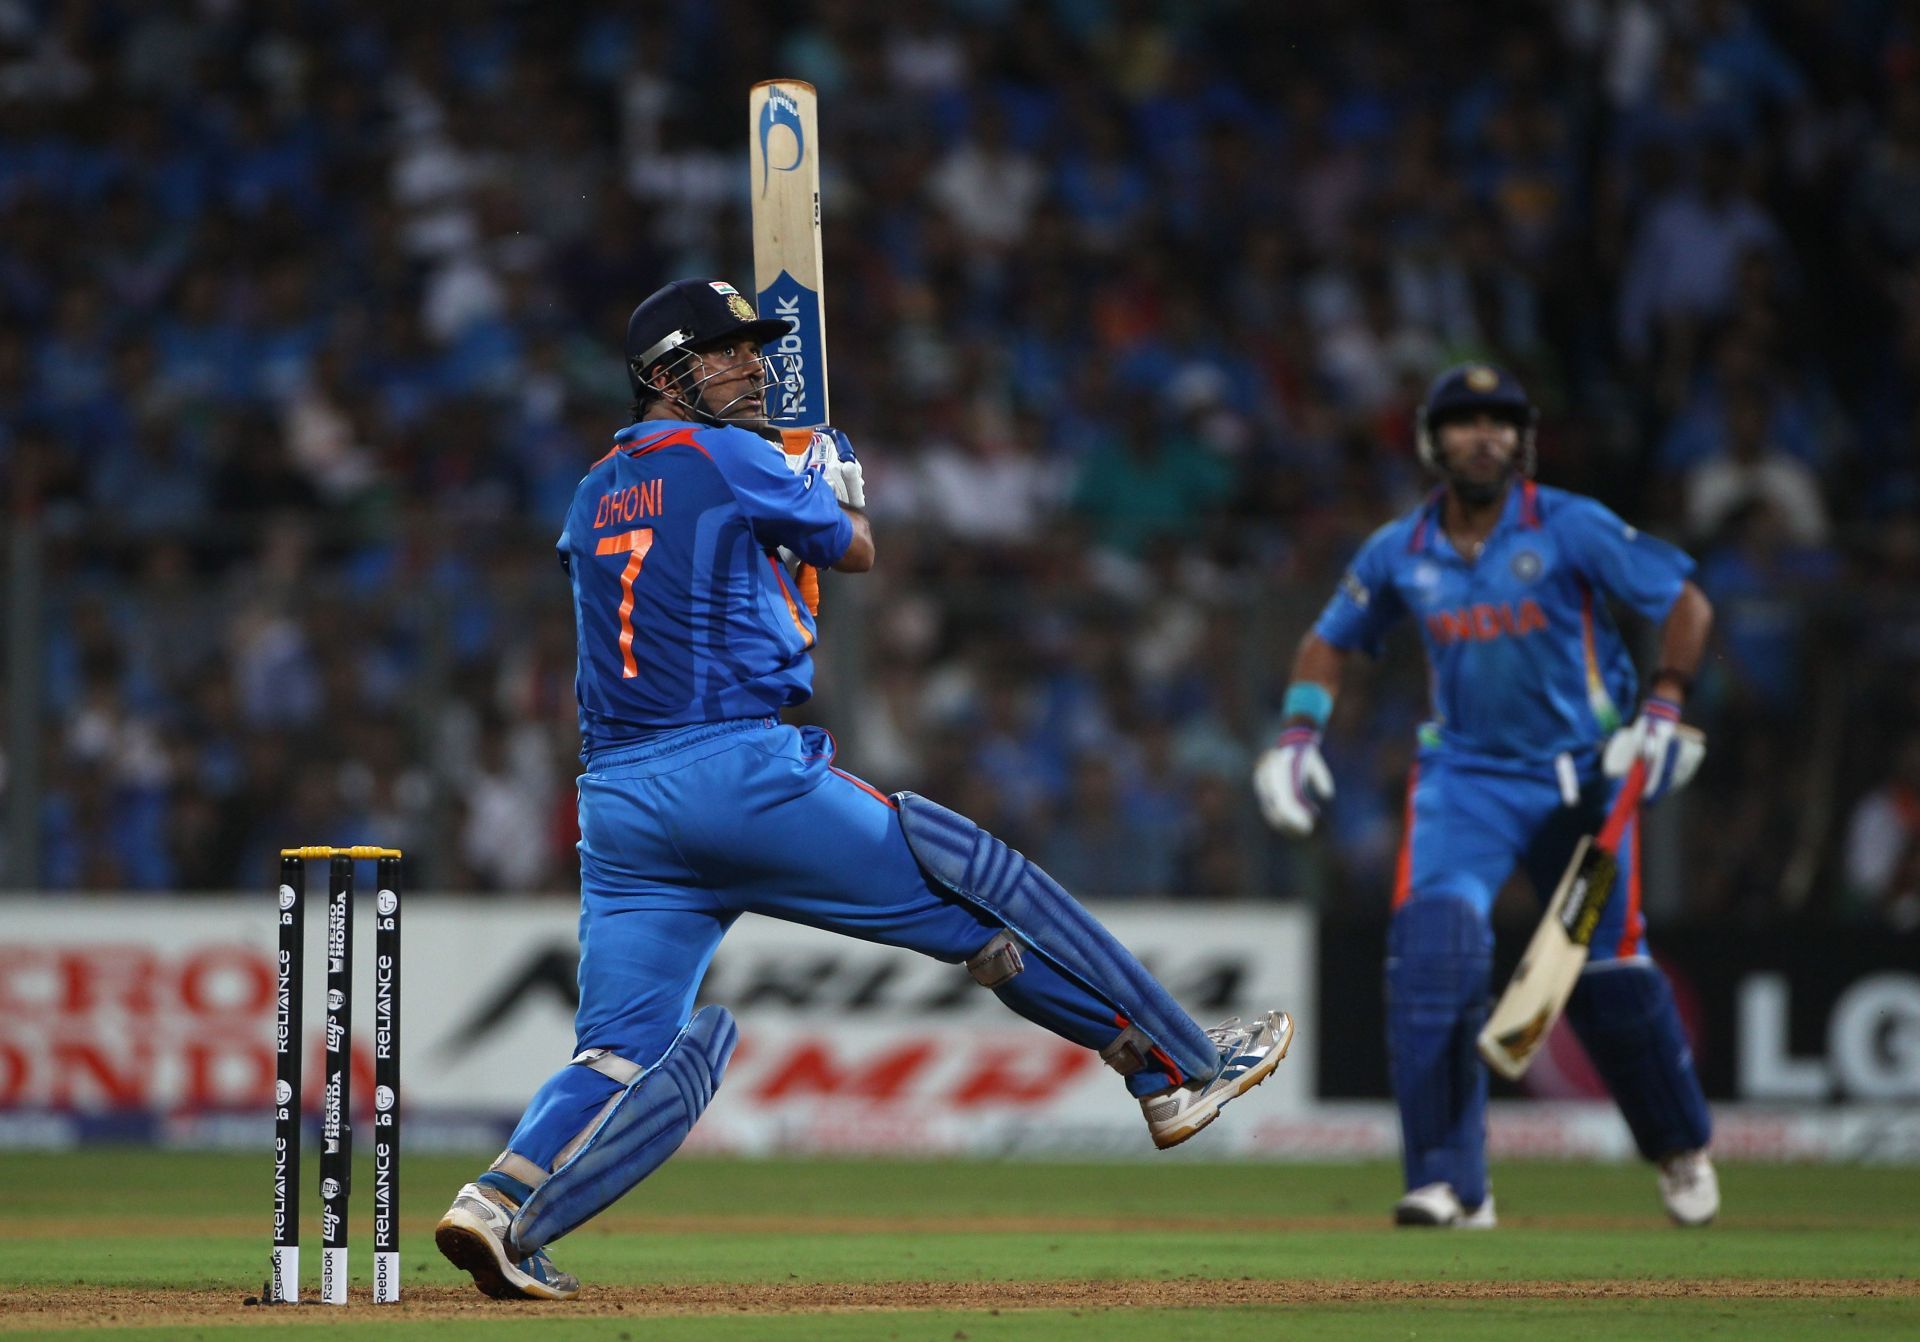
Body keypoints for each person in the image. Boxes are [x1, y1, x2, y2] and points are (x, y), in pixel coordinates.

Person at [433, 277, 1294, 1300]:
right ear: (667, 375)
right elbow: (856, 550)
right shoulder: (728, 453)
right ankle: (1181, 1066)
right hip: (735, 771)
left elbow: (726, 590)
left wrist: (786, 532)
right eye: (726, 352)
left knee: (620, 1049)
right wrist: (835, 477)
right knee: (974, 881)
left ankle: (497, 1205)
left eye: (754, 348)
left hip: (618, 802)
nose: (753, 364)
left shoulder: (591, 490)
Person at [1254, 363, 1718, 1229]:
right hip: (1466, 778)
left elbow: (1684, 602)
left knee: (1609, 981)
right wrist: (1296, 736)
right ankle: (1449, 1182)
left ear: (1522, 440)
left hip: (1587, 777)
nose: (1483, 436)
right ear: (1434, 442)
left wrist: (1665, 706)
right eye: (1463, 422)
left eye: (1499, 422)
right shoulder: (1401, 549)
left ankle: (1680, 1147)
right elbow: (1327, 643)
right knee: (1433, 951)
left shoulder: (1570, 525)